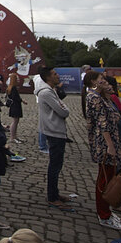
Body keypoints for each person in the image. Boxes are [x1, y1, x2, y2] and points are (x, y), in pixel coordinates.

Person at [83, 71, 121, 231]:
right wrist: (110, 146)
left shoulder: (100, 96)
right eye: (101, 79)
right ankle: (104, 214)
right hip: (104, 143)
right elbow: (102, 122)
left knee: (107, 176)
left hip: (108, 141)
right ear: (94, 82)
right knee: (104, 180)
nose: (104, 81)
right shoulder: (93, 97)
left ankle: (106, 211)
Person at [35, 67, 73, 212]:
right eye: (55, 74)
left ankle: (55, 193)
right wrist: (64, 109)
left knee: (57, 164)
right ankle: (52, 197)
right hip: (54, 130)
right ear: (48, 77)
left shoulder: (51, 90)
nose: (58, 76)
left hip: (56, 129)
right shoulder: (46, 93)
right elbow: (63, 111)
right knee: (55, 165)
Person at [5, 70, 26, 144]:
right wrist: (21, 100)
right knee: (15, 122)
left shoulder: (10, 87)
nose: (18, 79)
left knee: (16, 121)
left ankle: (14, 136)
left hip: (14, 106)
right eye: (16, 78)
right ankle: (12, 137)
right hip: (15, 106)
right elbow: (15, 97)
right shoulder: (13, 88)